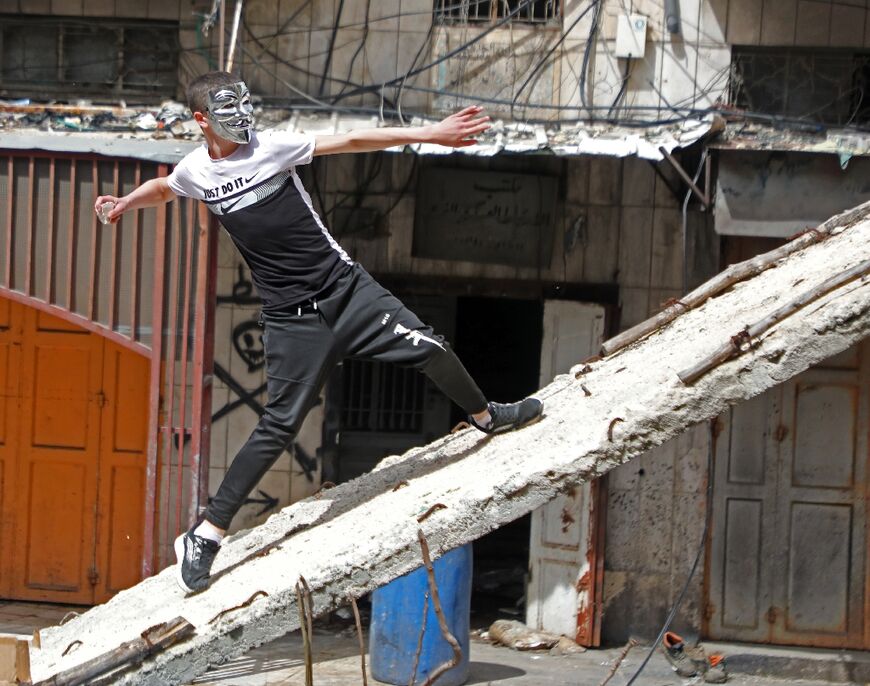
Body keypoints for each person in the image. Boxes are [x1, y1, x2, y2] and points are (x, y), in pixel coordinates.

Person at [95, 71, 543, 594]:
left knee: (433, 348)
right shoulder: (198, 170)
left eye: (245, 105)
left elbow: (352, 139)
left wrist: (428, 134)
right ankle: (206, 534)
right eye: (228, 111)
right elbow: (167, 188)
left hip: (349, 293)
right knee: (278, 426)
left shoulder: (274, 147)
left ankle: (487, 416)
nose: (243, 119)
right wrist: (128, 202)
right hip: (292, 321)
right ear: (202, 121)